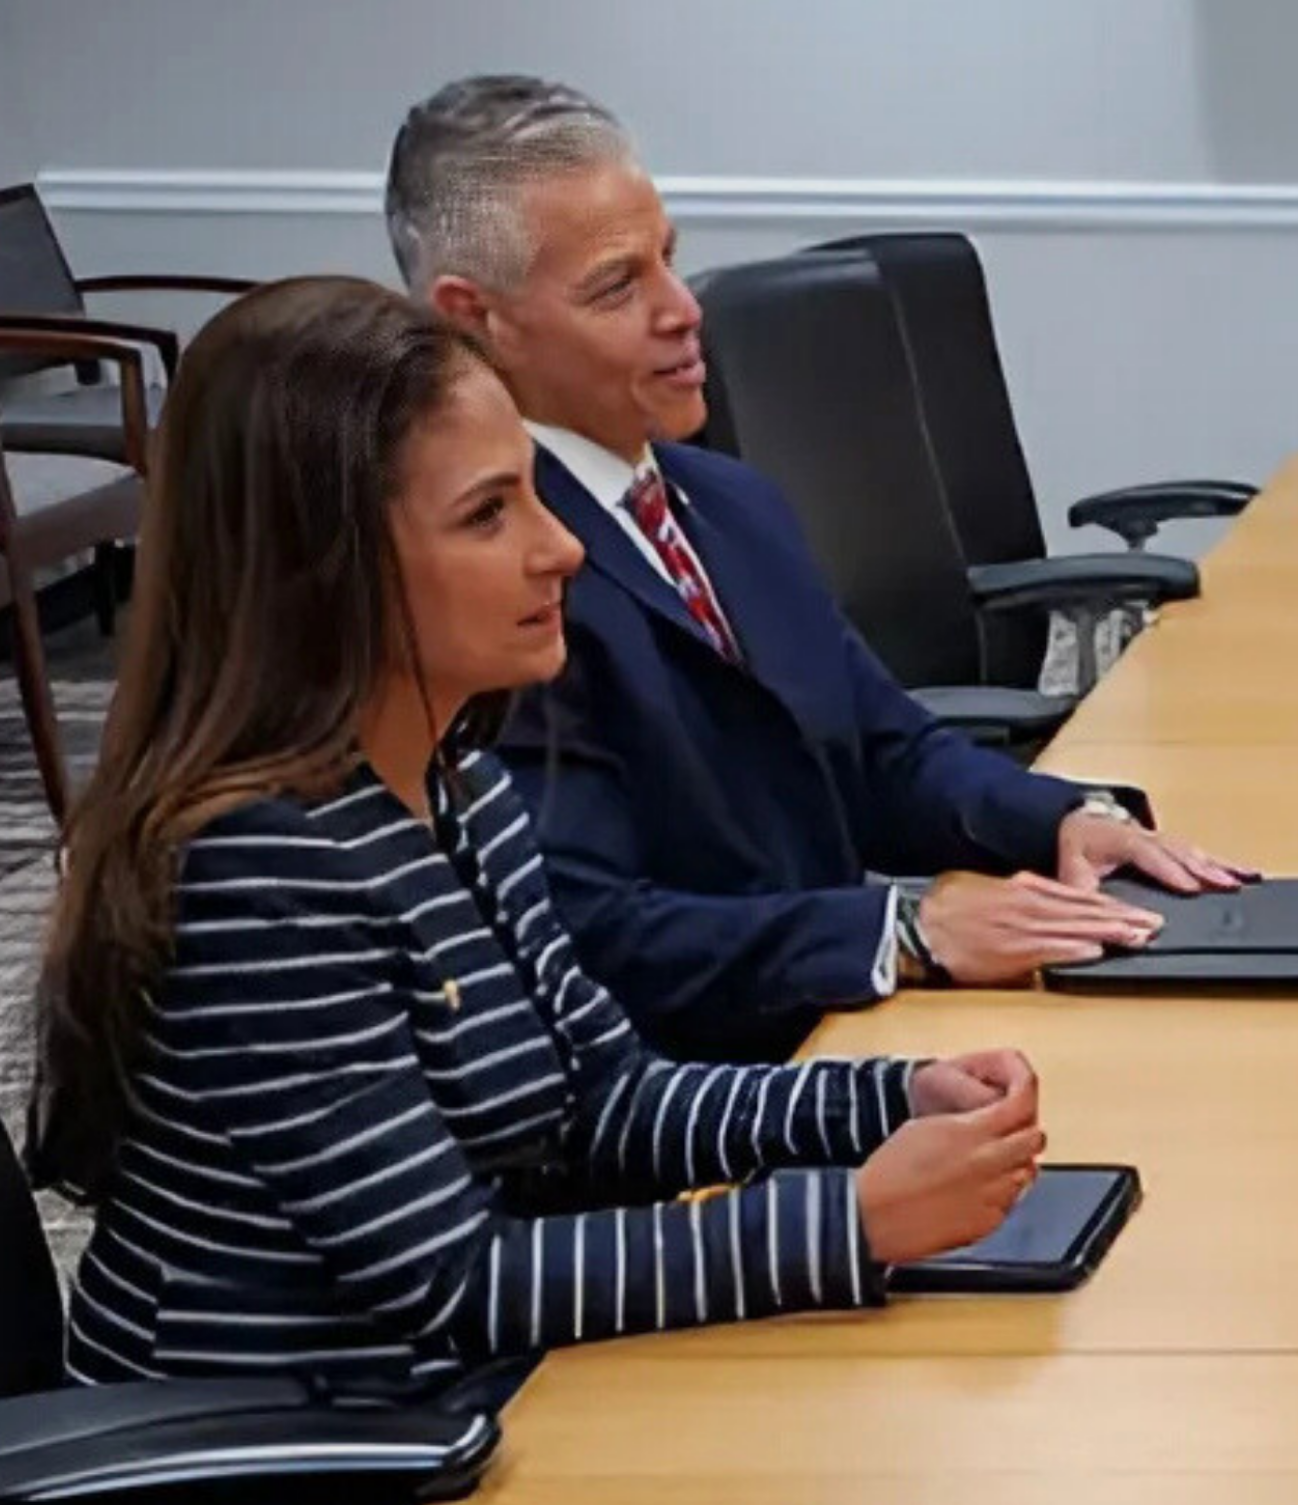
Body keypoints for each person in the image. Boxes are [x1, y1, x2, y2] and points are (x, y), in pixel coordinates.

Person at [40, 279, 1053, 1398]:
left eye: (536, 494)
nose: (561, 548)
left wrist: (891, 1100)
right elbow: (453, 1282)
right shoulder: (264, 867)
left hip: (456, 1402)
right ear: (324, 572)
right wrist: (848, 1218)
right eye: (489, 515)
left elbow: (601, 1102)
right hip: (303, 1486)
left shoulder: (460, 781)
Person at [382, 76, 1251, 1062]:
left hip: (846, 1045)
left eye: (671, 260)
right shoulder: (494, 585)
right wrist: (903, 933)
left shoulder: (731, 501)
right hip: (704, 1099)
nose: (682, 311)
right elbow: (591, 933)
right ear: (475, 319)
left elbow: (884, 749)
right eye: (618, 287)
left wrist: (1061, 818)